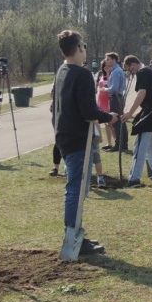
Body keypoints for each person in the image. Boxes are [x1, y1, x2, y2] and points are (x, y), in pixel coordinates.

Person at [53, 30, 116, 258]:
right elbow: (88, 110)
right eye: (84, 46)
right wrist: (109, 116)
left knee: (77, 187)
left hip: (64, 136)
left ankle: (77, 232)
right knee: (77, 189)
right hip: (78, 138)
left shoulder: (61, 71)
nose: (85, 50)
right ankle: (72, 238)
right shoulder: (81, 75)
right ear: (79, 48)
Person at [120, 55, 152, 188]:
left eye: (130, 70)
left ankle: (134, 178)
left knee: (139, 147)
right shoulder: (150, 72)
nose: (132, 73)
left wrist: (130, 112)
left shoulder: (142, 72)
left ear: (133, 65)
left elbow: (141, 93)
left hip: (151, 113)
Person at [103, 52, 128, 152]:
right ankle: (123, 144)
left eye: (108, 59)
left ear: (114, 60)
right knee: (121, 121)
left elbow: (114, 88)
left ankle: (119, 145)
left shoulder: (116, 71)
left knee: (117, 122)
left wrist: (105, 89)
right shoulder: (116, 70)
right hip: (118, 97)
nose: (106, 61)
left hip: (116, 97)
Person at [96, 60, 115, 147]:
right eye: (105, 66)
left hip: (108, 101)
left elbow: (109, 87)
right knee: (106, 123)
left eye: (108, 66)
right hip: (101, 101)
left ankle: (117, 141)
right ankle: (109, 143)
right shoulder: (102, 75)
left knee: (110, 123)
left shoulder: (111, 75)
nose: (106, 67)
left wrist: (108, 72)